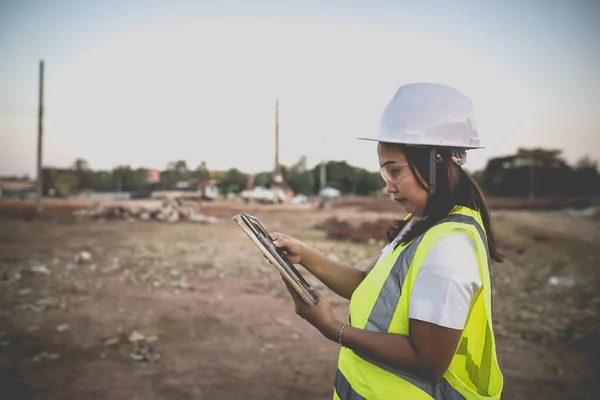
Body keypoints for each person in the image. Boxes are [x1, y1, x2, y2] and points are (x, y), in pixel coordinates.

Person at [270, 82, 504, 399]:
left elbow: (428, 361)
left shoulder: (450, 246)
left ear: (435, 162)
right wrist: (304, 255)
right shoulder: (420, 223)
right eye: (384, 173)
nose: (388, 186)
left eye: (394, 171)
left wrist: (332, 327)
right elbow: (368, 285)